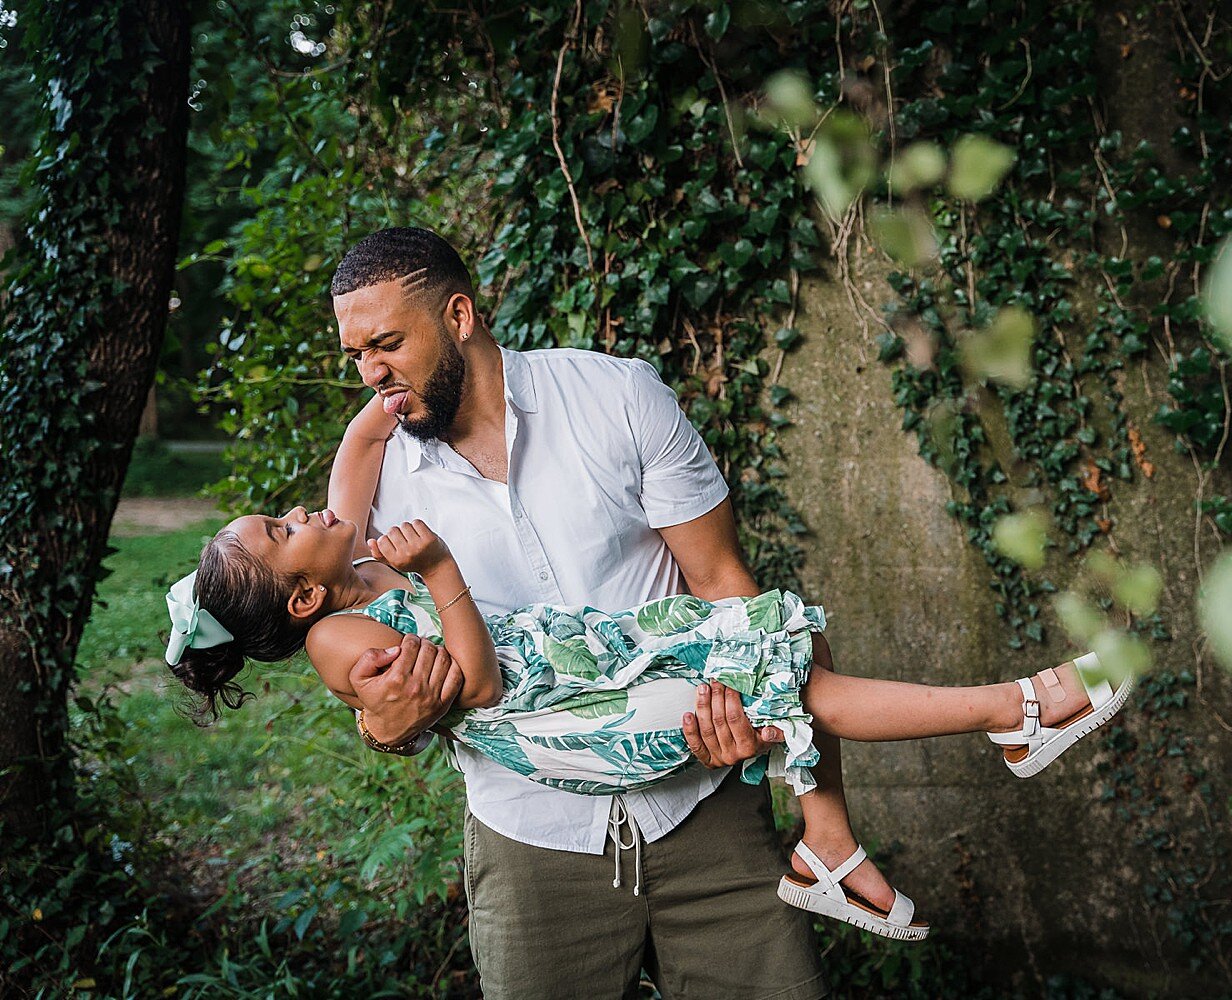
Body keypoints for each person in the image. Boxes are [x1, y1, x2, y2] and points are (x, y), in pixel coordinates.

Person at [168, 227, 1128, 997]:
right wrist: (384, 727)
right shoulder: (369, 511)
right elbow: (391, 679)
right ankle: (1001, 719)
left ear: (458, 315)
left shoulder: (615, 400)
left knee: (788, 640)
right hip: (530, 837)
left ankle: (844, 828)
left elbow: (721, 585)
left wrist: (737, 718)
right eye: (356, 356)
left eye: (387, 345)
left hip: (701, 817)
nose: (371, 373)